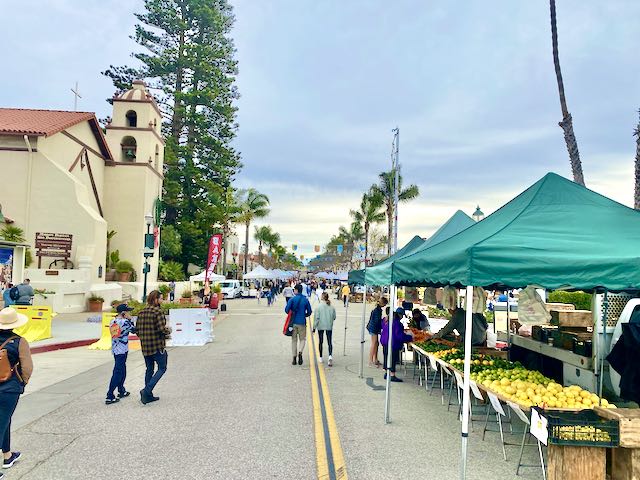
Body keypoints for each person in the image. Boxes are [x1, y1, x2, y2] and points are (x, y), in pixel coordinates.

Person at [0, 307, 33, 474]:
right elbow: (27, 367)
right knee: (2, 421)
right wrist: (22, 383)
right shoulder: (19, 341)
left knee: (4, 420)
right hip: (9, 388)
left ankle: (7, 455)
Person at [136, 290, 171, 404]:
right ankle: (146, 391)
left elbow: (137, 331)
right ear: (155, 299)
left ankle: (148, 395)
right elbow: (162, 329)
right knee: (162, 368)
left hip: (145, 346)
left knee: (149, 369)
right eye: (161, 298)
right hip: (157, 345)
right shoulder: (158, 312)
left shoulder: (141, 312)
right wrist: (168, 331)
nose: (162, 301)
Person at [105, 304, 136, 405]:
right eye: (127, 312)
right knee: (118, 371)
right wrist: (130, 320)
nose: (129, 313)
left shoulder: (112, 321)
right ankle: (110, 395)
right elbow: (134, 330)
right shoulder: (125, 322)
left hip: (115, 349)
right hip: (122, 349)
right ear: (123, 313)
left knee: (122, 369)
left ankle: (121, 390)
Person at [380, 307, 413, 382]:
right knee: (392, 359)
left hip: (385, 342)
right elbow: (399, 336)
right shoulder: (398, 323)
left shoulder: (388, 320)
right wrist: (410, 337)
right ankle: (392, 375)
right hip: (393, 343)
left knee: (386, 357)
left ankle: (386, 373)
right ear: (400, 315)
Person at [285, 284, 312, 366]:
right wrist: (304, 315)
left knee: (294, 340)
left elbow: (286, 310)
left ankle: (294, 357)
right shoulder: (305, 300)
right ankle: (300, 352)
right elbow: (310, 311)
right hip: (302, 322)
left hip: (293, 322)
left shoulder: (292, 299)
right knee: (302, 339)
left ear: (296, 290)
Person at [313, 292, 336, 366]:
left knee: (321, 341)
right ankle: (330, 356)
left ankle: (320, 357)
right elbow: (334, 317)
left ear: (322, 297)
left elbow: (316, 318)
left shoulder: (318, 307)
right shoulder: (332, 307)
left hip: (320, 325)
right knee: (329, 341)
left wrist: (314, 328)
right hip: (329, 325)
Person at [367, 297, 388, 367]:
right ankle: (370, 360)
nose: (385, 306)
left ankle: (375, 359)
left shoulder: (378, 309)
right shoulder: (377, 311)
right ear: (383, 303)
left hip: (373, 327)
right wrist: (383, 321)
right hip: (373, 328)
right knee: (374, 343)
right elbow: (377, 321)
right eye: (385, 304)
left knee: (376, 343)